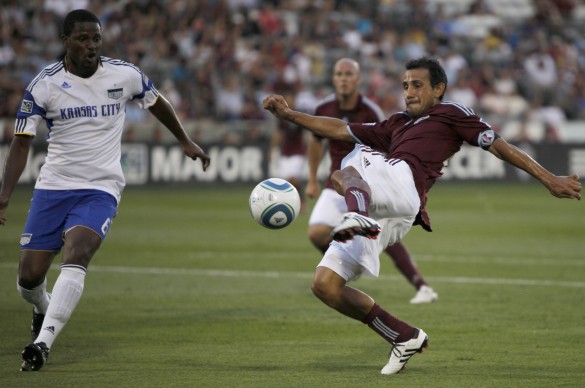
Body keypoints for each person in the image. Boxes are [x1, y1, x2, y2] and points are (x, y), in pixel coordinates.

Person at [263, 56, 581, 375]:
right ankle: (404, 336)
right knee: (325, 285)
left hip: (406, 185)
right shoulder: (396, 123)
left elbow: (498, 145)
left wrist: (548, 178)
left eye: (418, 85)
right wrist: (289, 114)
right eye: (405, 86)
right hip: (390, 211)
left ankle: (356, 217)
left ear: (438, 89)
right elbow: (338, 128)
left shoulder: (452, 113)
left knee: (347, 165)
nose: (409, 92)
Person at [0, 9, 210, 372]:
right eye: (82, 39)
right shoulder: (43, 84)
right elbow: (21, 143)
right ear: (65, 42)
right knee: (28, 278)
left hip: (101, 188)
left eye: (96, 38)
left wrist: (184, 140)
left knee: (78, 251)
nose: (91, 46)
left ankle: (42, 344)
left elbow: (157, 102)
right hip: (53, 187)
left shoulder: (124, 74)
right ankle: (42, 307)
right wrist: (4, 194)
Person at [306, 58, 437, 304]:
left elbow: (388, 144)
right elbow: (315, 141)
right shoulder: (324, 109)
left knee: (376, 231)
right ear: (334, 79)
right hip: (336, 183)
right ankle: (343, 267)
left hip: (366, 183)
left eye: (348, 74)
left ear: (357, 80)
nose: (343, 78)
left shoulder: (371, 111)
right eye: (339, 74)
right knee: (316, 233)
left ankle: (421, 285)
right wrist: (312, 179)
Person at [269, 86, 307, 211]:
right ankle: (288, 203)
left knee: (294, 179)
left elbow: (308, 131)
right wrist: (272, 149)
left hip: (298, 151)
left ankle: (302, 202)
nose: (289, 100)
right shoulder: (282, 116)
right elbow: (279, 134)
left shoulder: (299, 114)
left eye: (291, 98)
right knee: (285, 181)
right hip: (285, 152)